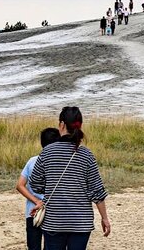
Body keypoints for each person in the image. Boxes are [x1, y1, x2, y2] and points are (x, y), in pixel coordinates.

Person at [30, 107, 111, 249]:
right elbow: (97, 191)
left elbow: (35, 182)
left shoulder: (47, 152)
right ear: (80, 126)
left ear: (61, 125)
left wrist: (49, 189)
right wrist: (104, 218)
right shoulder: (86, 154)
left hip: (54, 221)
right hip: (81, 223)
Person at [16, 128, 61, 250]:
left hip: (33, 211)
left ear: (42, 143)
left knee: (33, 246)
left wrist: (36, 201)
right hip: (53, 212)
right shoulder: (59, 163)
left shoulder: (32, 161)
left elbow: (20, 185)